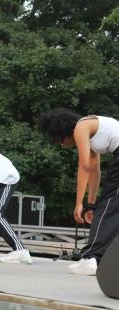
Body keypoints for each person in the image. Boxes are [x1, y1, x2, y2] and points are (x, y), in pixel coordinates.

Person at [38, 108, 119, 275]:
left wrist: (78, 204)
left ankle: (92, 259)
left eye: (59, 140)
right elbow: (95, 170)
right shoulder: (92, 129)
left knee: (107, 207)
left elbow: (84, 167)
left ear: (63, 131)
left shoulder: (81, 127)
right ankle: (99, 257)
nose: (61, 144)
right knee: (109, 207)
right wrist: (90, 205)